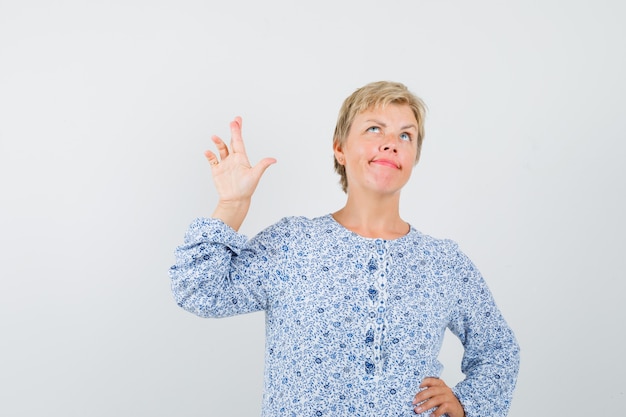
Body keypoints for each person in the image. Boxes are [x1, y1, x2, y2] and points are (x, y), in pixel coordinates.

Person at [169, 81, 520, 417]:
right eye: (373, 129)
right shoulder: (293, 243)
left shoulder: (443, 262)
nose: (391, 143)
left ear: (413, 156)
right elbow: (199, 291)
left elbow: (498, 350)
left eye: (405, 135)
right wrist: (232, 204)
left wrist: (466, 403)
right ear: (339, 147)